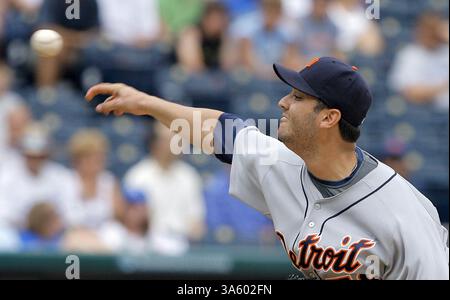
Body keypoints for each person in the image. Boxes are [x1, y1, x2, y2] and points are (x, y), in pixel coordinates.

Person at [85, 56, 449, 279]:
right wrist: (146, 103)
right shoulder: (282, 161)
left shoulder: (405, 214)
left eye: (299, 97)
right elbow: (217, 129)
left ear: (330, 118)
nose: (283, 102)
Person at [124, 123, 205, 256]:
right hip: (145, 246)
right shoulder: (138, 176)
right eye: (169, 140)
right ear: (154, 144)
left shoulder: (189, 176)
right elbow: (133, 222)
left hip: (182, 245)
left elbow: (197, 224)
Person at [65, 129, 125, 229]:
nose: (96, 161)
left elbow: (119, 216)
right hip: (74, 235)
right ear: (77, 159)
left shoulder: (109, 181)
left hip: (105, 236)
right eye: (89, 157)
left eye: (99, 156)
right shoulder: (66, 180)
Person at [389, 12, 449, 110]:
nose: (431, 34)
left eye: (435, 29)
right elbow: (411, 93)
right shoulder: (409, 54)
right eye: (428, 29)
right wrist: (442, 88)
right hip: (421, 112)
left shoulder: (446, 51)